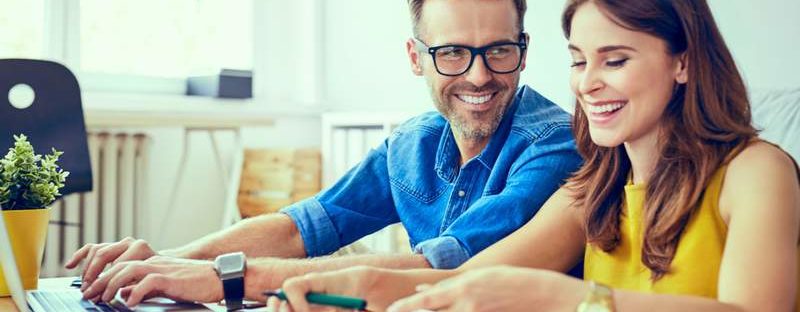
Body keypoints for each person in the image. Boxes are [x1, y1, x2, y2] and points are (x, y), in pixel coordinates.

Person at [272, 0, 800, 311]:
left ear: (682, 63)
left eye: (614, 61)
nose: (588, 84)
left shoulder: (755, 173)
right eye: (578, 61)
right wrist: (355, 286)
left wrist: (568, 299)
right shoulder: (594, 188)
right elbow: (470, 279)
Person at [66, 0, 582, 308]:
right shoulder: (413, 142)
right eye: (451, 53)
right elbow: (302, 227)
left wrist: (224, 275)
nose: (478, 75)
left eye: (498, 50)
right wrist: (165, 260)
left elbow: (442, 266)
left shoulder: (554, 144)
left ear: (524, 50)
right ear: (415, 57)